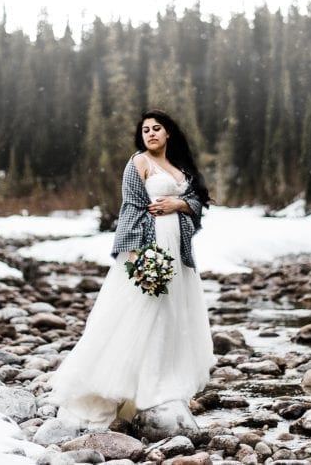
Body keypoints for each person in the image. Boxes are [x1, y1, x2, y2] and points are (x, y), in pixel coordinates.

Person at [47, 109, 214, 428]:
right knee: (141, 314)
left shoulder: (179, 167)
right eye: (146, 130)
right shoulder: (139, 162)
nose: (150, 133)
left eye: (157, 128)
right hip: (149, 249)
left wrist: (178, 204)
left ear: (168, 134)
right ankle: (119, 387)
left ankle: (165, 382)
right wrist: (140, 256)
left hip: (178, 252)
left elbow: (196, 206)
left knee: (173, 315)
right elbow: (131, 208)